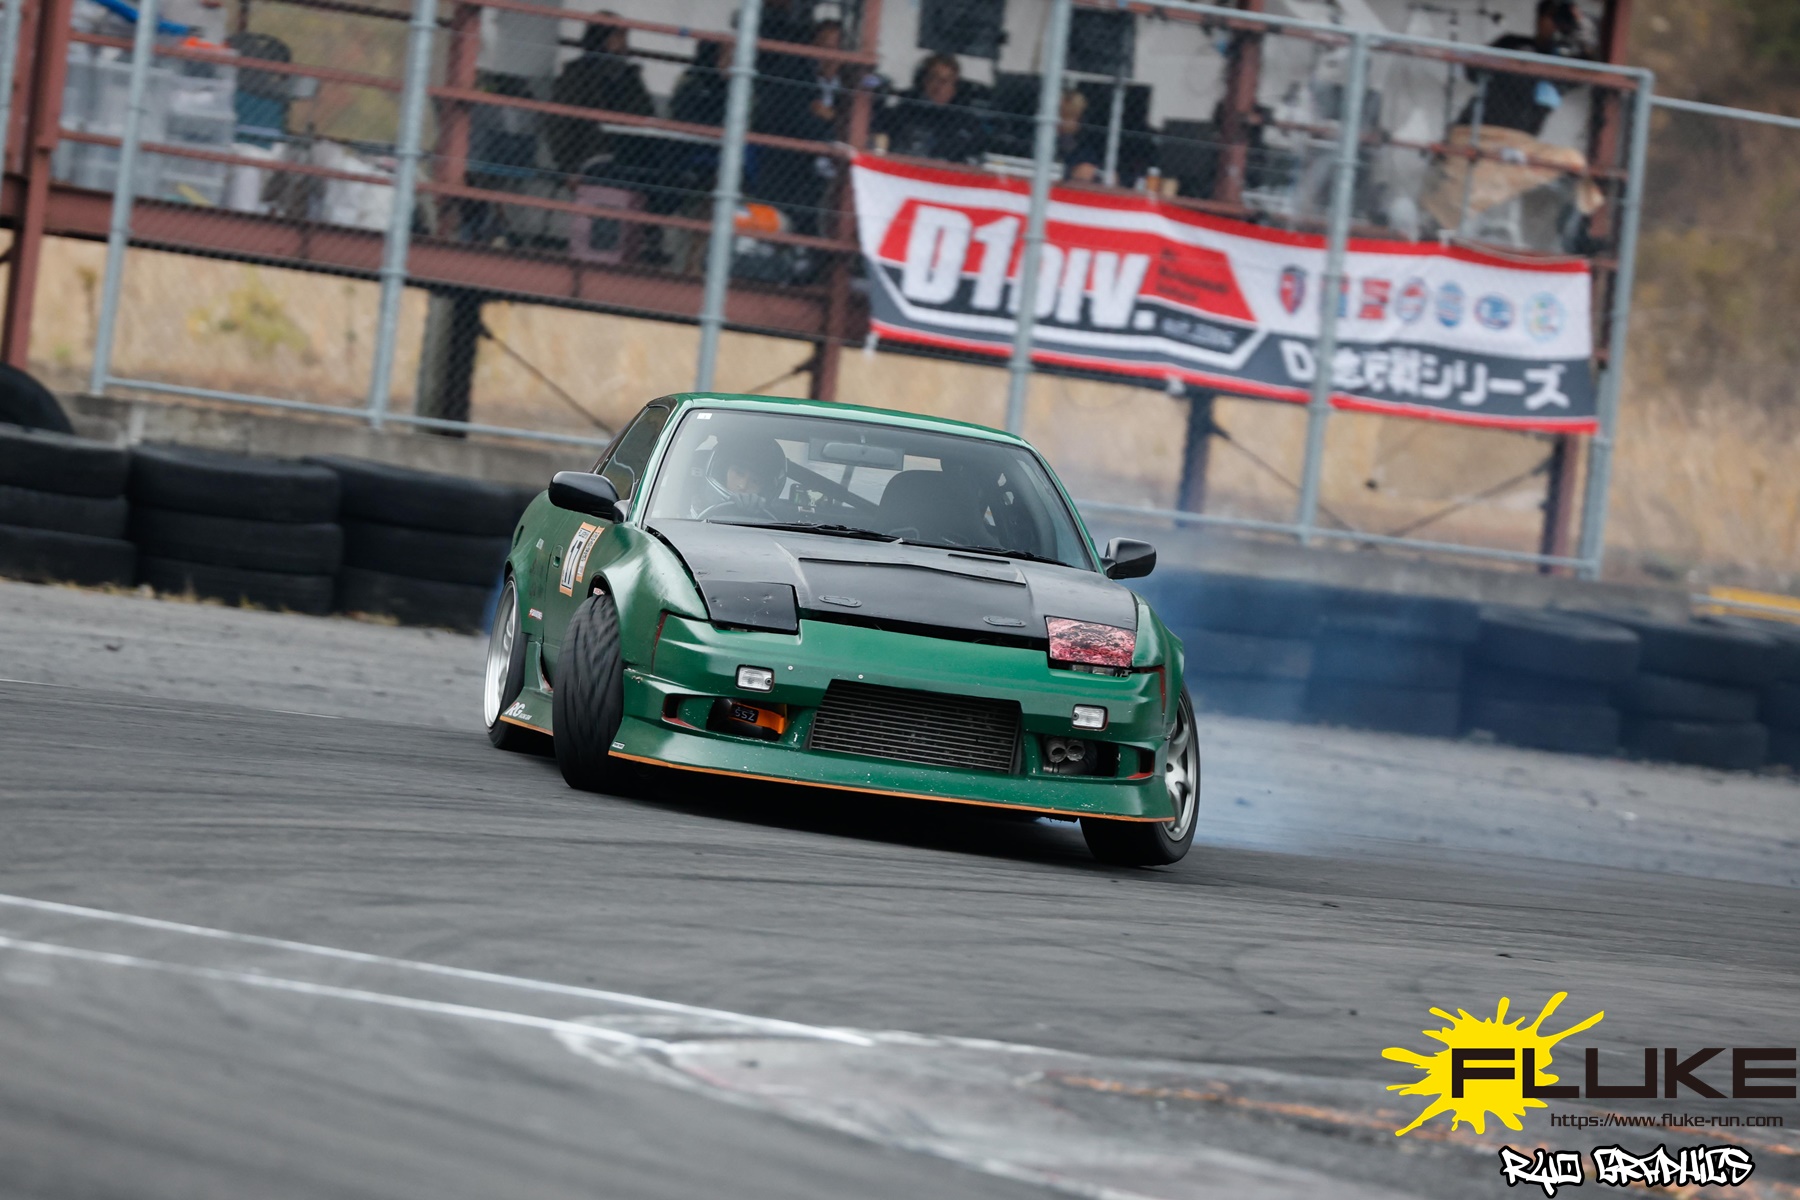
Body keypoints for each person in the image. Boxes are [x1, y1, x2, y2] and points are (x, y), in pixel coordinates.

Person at [1456, 0, 1596, 137]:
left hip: (1520, 138)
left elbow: (1588, 71)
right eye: (1552, 17)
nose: (1555, 24)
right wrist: (1509, 62)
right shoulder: (1512, 43)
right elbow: (1472, 71)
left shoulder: (1563, 64)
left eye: (1562, 20)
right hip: (1478, 127)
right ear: (1540, 20)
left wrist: (1581, 26)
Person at [546, 18, 656, 181]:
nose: (625, 44)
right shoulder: (577, 75)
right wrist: (569, 167)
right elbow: (560, 123)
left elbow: (645, 113)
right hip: (589, 155)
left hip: (629, 154)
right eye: (618, 37)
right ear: (604, 38)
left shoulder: (630, 77)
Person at [875, 53, 984, 164]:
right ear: (923, 81)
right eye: (934, 78)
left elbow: (978, 152)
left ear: (955, 86)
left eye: (946, 80)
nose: (939, 86)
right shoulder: (904, 109)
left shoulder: (965, 119)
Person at [700, 436, 791, 518]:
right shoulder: (695, 507)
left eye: (755, 481)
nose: (743, 486)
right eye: (739, 473)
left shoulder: (779, 521)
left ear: (765, 489)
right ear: (722, 472)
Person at [1056, 90, 1105, 183]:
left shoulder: (1085, 148)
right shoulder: (1037, 140)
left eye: (1072, 117)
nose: (1063, 122)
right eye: (1063, 116)